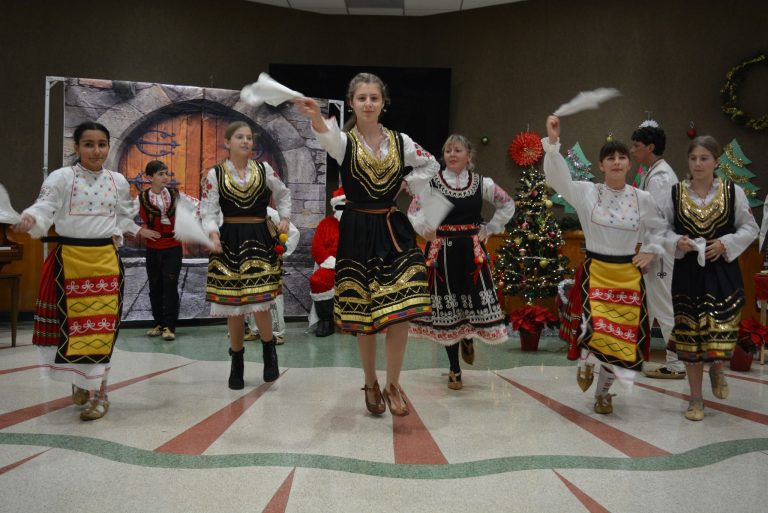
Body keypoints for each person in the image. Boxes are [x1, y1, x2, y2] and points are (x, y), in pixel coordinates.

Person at [294, 73, 439, 416]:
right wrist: (316, 116)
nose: (368, 103)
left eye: (374, 97)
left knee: (405, 306)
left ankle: (393, 384)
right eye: (362, 98)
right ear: (352, 103)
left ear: (383, 103)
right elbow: (327, 137)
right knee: (364, 315)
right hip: (358, 230)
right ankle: (371, 381)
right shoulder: (345, 142)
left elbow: (431, 164)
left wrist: (408, 183)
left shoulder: (401, 141)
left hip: (392, 229)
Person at [14, 121, 152, 421]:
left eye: (102, 144)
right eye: (88, 144)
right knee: (72, 328)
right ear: (76, 147)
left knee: (102, 330)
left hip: (106, 262)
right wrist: (31, 218)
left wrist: (136, 230)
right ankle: (79, 380)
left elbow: (123, 216)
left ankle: (101, 395)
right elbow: (44, 206)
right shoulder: (62, 178)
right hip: (70, 262)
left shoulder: (117, 181)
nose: (96, 150)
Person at [543, 115, 667, 415]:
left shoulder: (643, 198)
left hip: (628, 276)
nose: (616, 162)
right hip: (596, 271)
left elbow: (660, 228)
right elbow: (558, 180)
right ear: (601, 165)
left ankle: (603, 393)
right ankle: (587, 360)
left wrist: (650, 252)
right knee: (596, 331)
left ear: (629, 164)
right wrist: (554, 144)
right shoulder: (588, 192)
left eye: (622, 157)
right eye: (610, 158)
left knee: (620, 341)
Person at [658, 135, 758, 421]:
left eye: (704, 158)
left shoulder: (732, 192)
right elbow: (660, 228)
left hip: (722, 271)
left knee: (719, 327)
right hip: (689, 273)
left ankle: (716, 368)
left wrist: (725, 243)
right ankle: (695, 399)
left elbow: (749, 227)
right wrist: (677, 241)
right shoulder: (675, 193)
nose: (698, 164)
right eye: (693, 158)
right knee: (691, 336)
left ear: (716, 161)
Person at [408, 134, 514, 389]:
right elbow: (414, 210)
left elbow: (507, 204)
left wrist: (490, 228)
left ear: (469, 155)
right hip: (442, 254)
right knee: (448, 310)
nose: (452, 155)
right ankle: (454, 368)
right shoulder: (433, 183)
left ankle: (467, 336)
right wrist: (425, 230)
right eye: (448, 151)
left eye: (457, 150)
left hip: (471, 252)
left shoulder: (482, 183)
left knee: (471, 302)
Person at [200, 121, 291, 390]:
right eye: (239, 137)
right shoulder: (215, 174)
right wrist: (212, 233)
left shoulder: (264, 169)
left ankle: (269, 351)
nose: (245, 141)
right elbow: (208, 209)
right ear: (227, 142)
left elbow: (283, 193)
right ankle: (237, 361)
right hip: (229, 240)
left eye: (249, 138)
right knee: (234, 306)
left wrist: (285, 217)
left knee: (260, 300)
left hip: (259, 238)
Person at [630, 121, 685, 379]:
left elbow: (659, 219)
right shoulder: (653, 173)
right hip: (655, 249)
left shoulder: (661, 177)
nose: (633, 151)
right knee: (651, 305)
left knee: (664, 306)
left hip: (661, 252)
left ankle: (677, 363)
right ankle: (636, 354)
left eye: (637, 146)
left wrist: (650, 253)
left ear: (650, 147)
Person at [137, 160, 198, 341]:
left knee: (170, 285)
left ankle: (170, 326)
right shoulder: (141, 198)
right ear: (150, 177)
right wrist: (140, 230)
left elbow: (198, 207)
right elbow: (123, 216)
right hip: (153, 247)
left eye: (166, 173)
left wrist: (185, 226)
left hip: (172, 246)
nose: (165, 177)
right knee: (155, 285)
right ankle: (158, 323)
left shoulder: (175, 195)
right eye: (160, 174)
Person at [243, 206, 300, 344]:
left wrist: (281, 251)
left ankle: (277, 333)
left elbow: (294, 233)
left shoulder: (272, 214)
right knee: (252, 294)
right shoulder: (241, 214)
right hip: (250, 260)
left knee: (273, 296)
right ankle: (255, 330)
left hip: (270, 261)